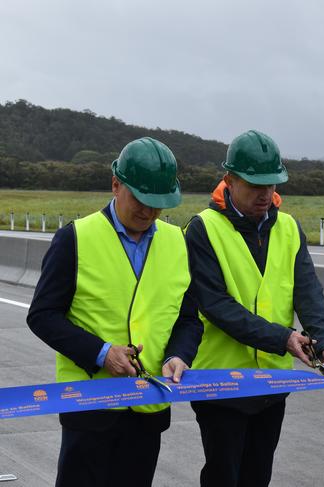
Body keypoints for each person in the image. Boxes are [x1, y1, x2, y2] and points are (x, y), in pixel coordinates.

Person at [27, 137, 203, 487]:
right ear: (115, 185)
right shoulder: (74, 238)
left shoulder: (177, 241)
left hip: (148, 406)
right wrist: (102, 353)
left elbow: (188, 318)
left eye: (158, 204)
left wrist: (180, 355)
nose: (148, 212)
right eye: (140, 199)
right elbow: (43, 315)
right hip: (90, 406)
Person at [184, 129, 324, 487]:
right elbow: (217, 305)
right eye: (255, 185)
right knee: (224, 476)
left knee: (258, 477)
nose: (266, 194)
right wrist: (284, 338)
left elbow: (308, 292)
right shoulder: (203, 229)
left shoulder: (287, 227)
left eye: (272, 184)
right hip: (221, 385)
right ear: (229, 180)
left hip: (271, 384)